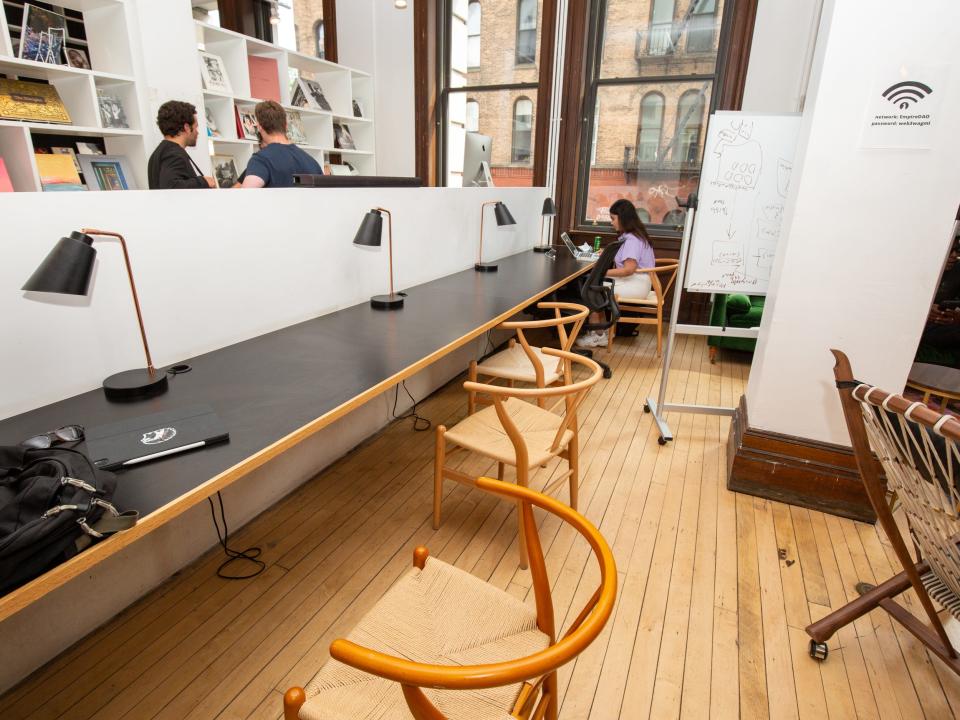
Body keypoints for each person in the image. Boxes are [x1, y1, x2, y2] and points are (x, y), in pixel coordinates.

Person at [576, 199, 656, 348]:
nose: (611, 222)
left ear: (623, 218)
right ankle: (603, 333)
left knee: (592, 288)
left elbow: (628, 269)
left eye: (613, 218)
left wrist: (600, 272)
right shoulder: (633, 236)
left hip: (635, 285)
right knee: (596, 284)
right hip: (640, 282)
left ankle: (597, 335)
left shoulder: (632, 240)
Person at [238, 101, 323, 188]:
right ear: (286, 125)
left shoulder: (262, 159)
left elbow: (245, 195)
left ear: (259, 127)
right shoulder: (312, 163)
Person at [147, 100, 215, 190]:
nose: (197, 132)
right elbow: (171, 186)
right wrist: (204, 181)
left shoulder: (160, 152)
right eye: (196, 127)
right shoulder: (173, 154)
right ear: (187, 128)